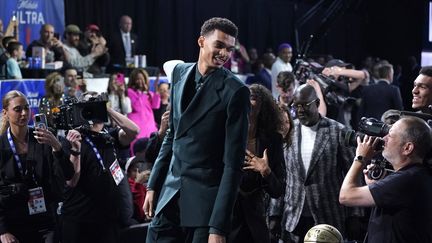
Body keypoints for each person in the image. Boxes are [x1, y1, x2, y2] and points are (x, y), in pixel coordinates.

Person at [143, 17, 250, 243]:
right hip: (169, 194)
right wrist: (153, 185)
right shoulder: (179, 73)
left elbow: (233, 165)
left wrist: (218, 227)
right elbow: (172, 135)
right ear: (201, 41)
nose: (224, 54)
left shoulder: (236, 91)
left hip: (205, 208)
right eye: (219, 46)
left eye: (229, 49)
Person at [270, 84, 357, 243]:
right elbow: (283, 175)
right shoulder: (288, 131)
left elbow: (353, 173)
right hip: (293, 219)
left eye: (305, 105)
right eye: (296, 105)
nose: (300, 110)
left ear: (317, 103)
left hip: (328, 216)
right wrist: (275, 213)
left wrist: (354, 215)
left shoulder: (338, 131)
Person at [60, 91, 140, 243]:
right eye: (88, 105)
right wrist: (75, 149)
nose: (93, 109)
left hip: (107, 217)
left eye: (96, 104)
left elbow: (134, 130)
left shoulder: (109, 136)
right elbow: (72, 181)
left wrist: (105, 108)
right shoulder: (74, 139)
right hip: (81, 220)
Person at [339, 116, 432, 242]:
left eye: (390, 135)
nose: (383, 138)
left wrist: (360, 158)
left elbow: (346, 196)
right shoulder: (415, 176)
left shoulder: (407, 180)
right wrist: (376, 186)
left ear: (407, 148)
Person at [0, 90, 75, 243]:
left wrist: (57, 147)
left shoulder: (43, 138)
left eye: (27, 108)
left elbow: (68, 174)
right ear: (5, 112)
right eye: (18, 109)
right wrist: (2, 230)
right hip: (14, 221)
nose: (24, 113)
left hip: (46, 219)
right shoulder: (1, 145)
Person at [228, 84, 286, 243]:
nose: (247, 102)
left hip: (257, 225)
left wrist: (266, 171)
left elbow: (278, 190)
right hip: (227, 223)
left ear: (262, 106)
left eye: (252, 98)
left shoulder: (273, 140)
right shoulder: (226, 136)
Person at [127, 68, 160, 139]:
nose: (140, 81)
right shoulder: (130, 92)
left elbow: (156, 106)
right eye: (138, 79)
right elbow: (137, 107)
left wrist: (156, 91)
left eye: (142, 79)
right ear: (133, 80)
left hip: (149, 126)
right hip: (138, 127)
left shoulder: (148, 93)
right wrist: (142, 94)